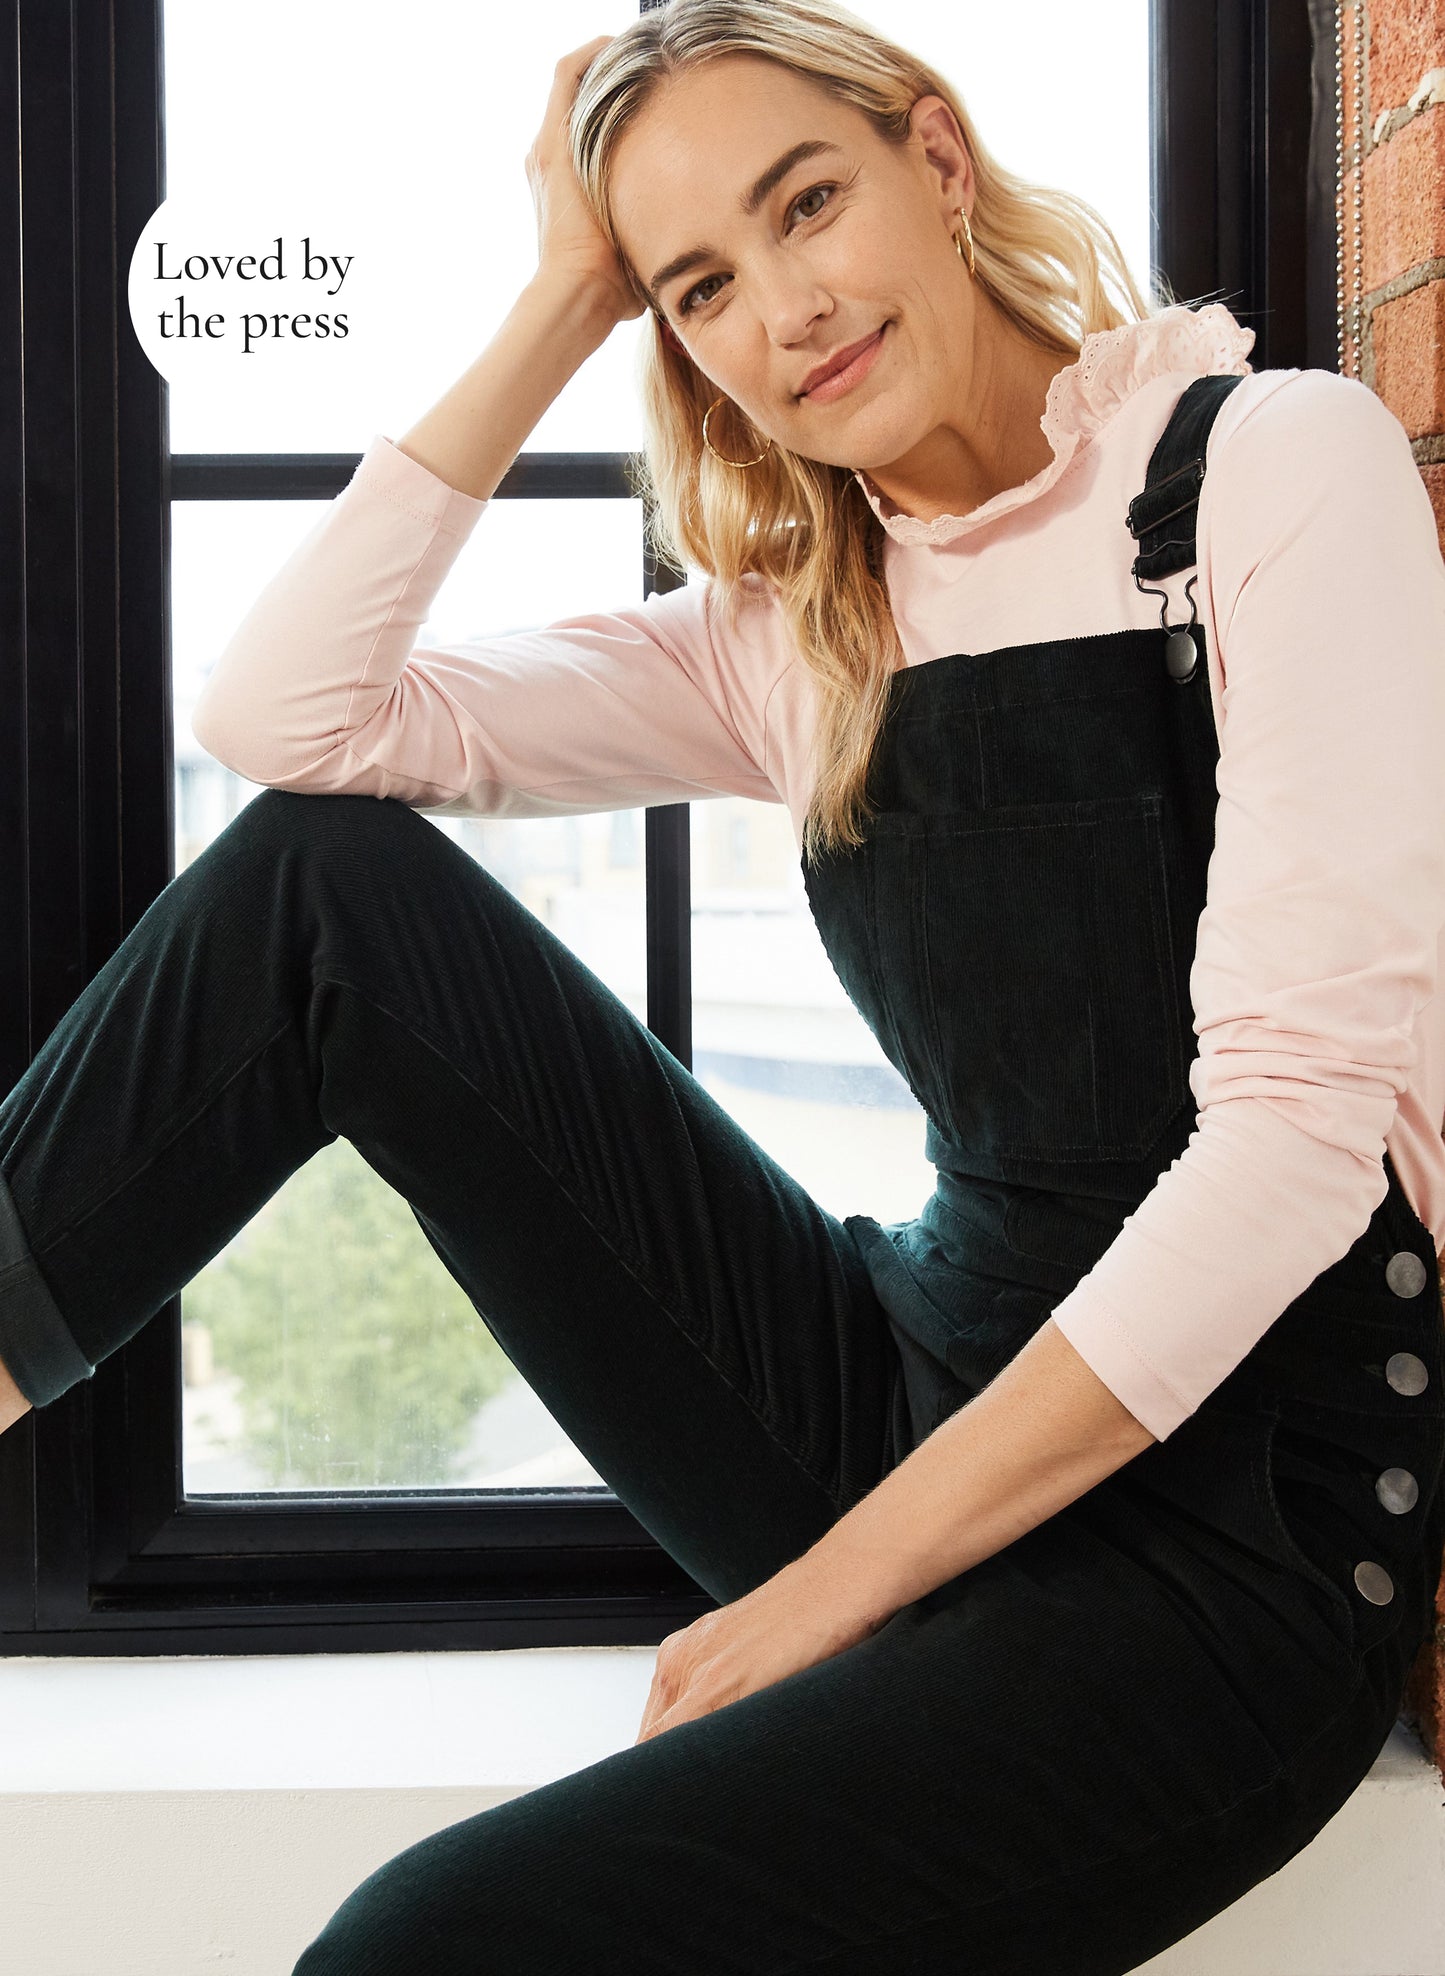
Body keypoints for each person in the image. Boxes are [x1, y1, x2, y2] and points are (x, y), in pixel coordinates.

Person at [3, 0, 1444, 1968]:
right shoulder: (794, 633)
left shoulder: (1269, 466)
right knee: (320, 895)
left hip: (1228, 1537)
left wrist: (823, 1595)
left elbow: (1293, 1143)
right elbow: (289, 722)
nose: (784, 308)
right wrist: (556, 303)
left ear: (937, 157)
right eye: (695, 286)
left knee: (422, 1944)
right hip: (909, 1397)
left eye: (806, 203)